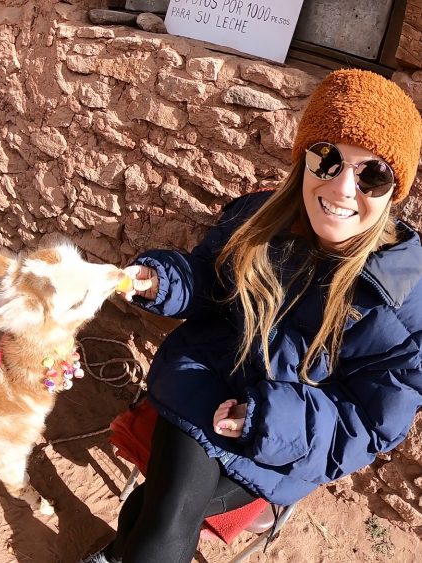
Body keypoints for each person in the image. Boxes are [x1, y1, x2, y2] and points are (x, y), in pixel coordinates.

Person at [79, 68, 422, 563]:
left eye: (373, 173)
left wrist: (268, 419)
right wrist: (163, 282)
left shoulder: (403, 298)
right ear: (304, 158)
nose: (344, 188)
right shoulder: (258, 219)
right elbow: (210, 284)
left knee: (160, 510)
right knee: (167, 516)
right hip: (205, 386)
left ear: (395, 190)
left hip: (280, 444)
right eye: (327, 157)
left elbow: (368, 424)